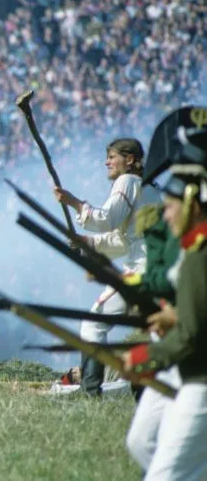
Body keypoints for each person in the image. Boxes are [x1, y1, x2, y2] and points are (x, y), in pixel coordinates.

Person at [122, 128, 207, 480]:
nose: (166, 215)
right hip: (190, 372)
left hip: (200, 376)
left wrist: (143, 357)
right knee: (143, 444)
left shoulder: (198, 254)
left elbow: (191, 334)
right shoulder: (193, 248)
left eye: (171, 207)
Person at [54, 138, 158, 396]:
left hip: (141, 271)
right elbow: (125, 240)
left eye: (112, 157)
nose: (106, 162)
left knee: (93, 324)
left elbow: (107, 220)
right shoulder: (149, 187)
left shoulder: (127, 181)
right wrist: (87, 242)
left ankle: (91, 393)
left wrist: (74, 203)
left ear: (130, 160)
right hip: (157, 269)